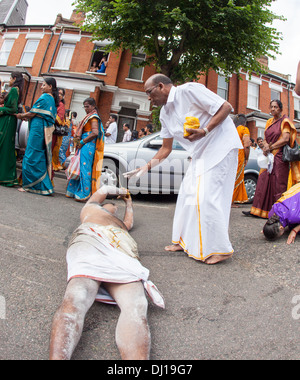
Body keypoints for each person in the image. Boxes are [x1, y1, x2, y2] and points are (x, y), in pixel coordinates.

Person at [125, 74, 242, 265]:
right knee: (187, 197)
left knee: (206, 197)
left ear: (161, 86)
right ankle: (183, 241)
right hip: (200, 154)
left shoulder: (189, 90)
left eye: (149, 92)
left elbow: (226, 107)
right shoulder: (164, 114)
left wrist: (205, 130)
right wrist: (144, 168)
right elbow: (165, 148)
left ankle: (221, 248)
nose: (148, 97)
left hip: (221, 146)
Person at [49, 185, 164, 360]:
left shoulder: (120, 224)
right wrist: (121, 191)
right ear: (104, 206)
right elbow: (104, 190)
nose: (114, 209)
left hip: (122, 250)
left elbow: (129, 223)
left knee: (137, 305)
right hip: (92, 238)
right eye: (112, 207)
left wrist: (129, 203)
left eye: (116, 209)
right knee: (76, 297)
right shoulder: (91, 208)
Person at [243, 100, 300, 218]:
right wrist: (264, 146)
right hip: (268, 156)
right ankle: (257, 210)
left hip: (279, 156)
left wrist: (271, 147)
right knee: (263, 180)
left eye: (275, 107)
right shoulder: (269, 122)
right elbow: (265, 138)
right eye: (271, 107)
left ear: (280, 109)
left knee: (278, 184)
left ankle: (278, 213)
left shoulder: (285, 122)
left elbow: (285, 139)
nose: (273, 109)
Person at [16, 77, 59, 195]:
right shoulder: (51, 99)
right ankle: (43, 186)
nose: (41, 87)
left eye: (44, 85)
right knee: (37, 156)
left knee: (31, 156)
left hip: (38, 130)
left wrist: (20, 115)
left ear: (50, 86)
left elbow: (32, 113)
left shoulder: (45, 98)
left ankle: (29, 186)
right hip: (40, 129)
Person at [66, 97, 105, 201]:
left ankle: (84, 194)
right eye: (85, 107)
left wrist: (82, 142)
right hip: (84, 145)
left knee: (85, 169)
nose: (86, 109)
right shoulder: (89, 116)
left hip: (87, 146)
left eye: (87, 107)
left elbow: (95, 133)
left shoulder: (93, 117)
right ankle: (73, 191)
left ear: (93, 106)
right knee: (79, 167)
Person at [0, 72, 24, 187]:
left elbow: (12, 108)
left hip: (8, 121)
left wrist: (2, 109)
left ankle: (6, 177)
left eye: (10, 78)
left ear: (14, 78)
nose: (9, 80)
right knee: (5, 147)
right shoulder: (16, 89)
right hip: (8, 120)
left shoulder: (14, 89)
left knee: (5, 147)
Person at [232, 114, 251, 207]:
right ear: (244, 122)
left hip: (232, 155)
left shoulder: (233, 130)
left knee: (232, 177)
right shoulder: (244, 129)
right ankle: (231, 201)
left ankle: (233, 200)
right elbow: (246, 145)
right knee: (237, 177)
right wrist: (246, 158)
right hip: (239, 155)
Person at [52, 88, 66, 172]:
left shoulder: (60, 105)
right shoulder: (53, 103)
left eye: (61, 94)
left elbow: (60, 119)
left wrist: (50, 114)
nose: (59, 95)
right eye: (58, 93)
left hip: (53, 131)